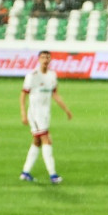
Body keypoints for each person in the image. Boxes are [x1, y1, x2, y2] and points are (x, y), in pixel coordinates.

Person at [19, 50, 72, 184]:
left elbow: (55, 94)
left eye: (48, 57)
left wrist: (66, 110)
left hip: (45, 113)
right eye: (43, 57)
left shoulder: (52, 75)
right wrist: (23, 114)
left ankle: (25, 172)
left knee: (37, 141)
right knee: (47, 140)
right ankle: (53, 175)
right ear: (38, 59)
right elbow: (23, 95)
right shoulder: (32, 75)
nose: (45, 60)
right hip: (35, 114)